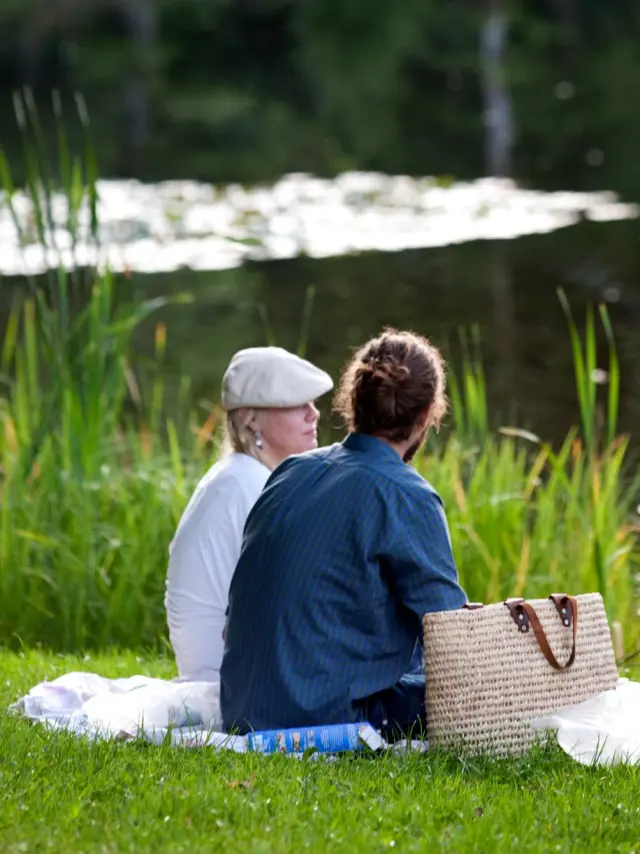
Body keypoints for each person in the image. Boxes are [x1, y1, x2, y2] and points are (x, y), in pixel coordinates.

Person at [220, 329, 467, 739]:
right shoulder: (408, 495)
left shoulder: (289, 471)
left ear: (353, 403)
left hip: (242, 708)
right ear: (426, 417)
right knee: (459, 683)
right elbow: (454, 640)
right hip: (326, 716)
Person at [165, 346, 334, 682]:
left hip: (219, 666)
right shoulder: (251, 486)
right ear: (251, 419)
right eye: (297, 404)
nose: (313, 414)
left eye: (312, 403)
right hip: (232, 678)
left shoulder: (239, 475)